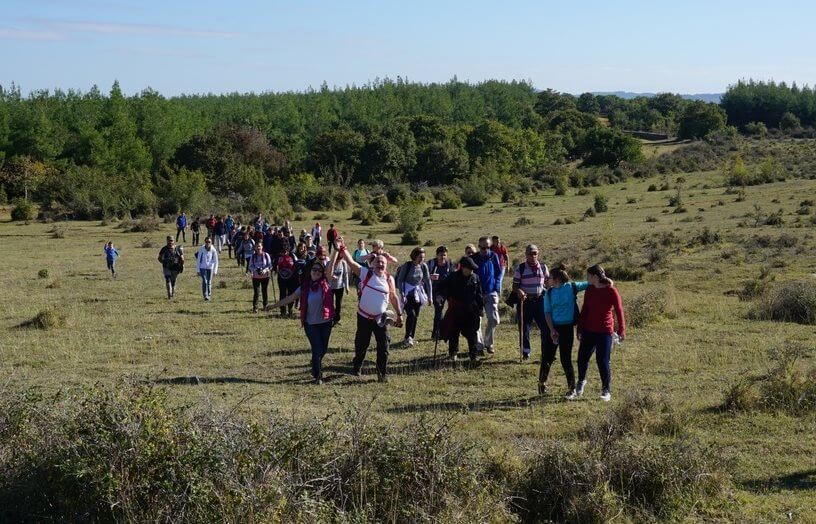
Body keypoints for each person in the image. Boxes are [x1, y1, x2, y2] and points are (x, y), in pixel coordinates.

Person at [336, 236, 403, 382]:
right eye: (378, 262)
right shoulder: (366, 273)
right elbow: (351, 262)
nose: (380, 264)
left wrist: (399, 314)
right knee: (361, 344)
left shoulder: (389, 279)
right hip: (363, 317)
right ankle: (357, 366)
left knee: (384, 346)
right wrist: (342, 247)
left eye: (383, 262)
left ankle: (382, 373)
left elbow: (393, 297)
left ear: (386, 265)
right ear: (372, 264)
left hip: (381, 318)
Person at [267, 255, 338, 384]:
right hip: (310, 324)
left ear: (323, 273)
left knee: (323, 349)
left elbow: (331, 264)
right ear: (310, 271)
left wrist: (337, 250)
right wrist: (273, 306)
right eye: (314, 270)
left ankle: (315, 365)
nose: (316, 272)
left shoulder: (326, 283)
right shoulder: (305, 287)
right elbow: (290, 298)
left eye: (319, 271)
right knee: (317, 348)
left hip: (326, 323)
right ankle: (318, 375)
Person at [575, 264, 625, 402]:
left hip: (605, 331)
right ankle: (581, 383)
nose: (586, 278)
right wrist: (579, 328)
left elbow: (619, 310)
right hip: (588, 330)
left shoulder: (611, 291)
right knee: (582, 358)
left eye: (588, 276)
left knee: (602, 361)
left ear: (595, 277)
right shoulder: (590, 289)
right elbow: (585, 309)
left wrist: (621, 329)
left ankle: (606, 390)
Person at [541, 266, 591, 398]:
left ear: (556, 279)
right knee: (547, 357)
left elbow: (590, 283)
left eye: (550, 277)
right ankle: (541, 384)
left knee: (565, 359)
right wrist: (552, 330)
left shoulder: (572, 287)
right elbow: (547, 313)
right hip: (553, 328)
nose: (548, 279)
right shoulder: (549, 293)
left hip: (567, 329)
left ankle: (571, 388)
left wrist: (607, 281)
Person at [436, 256, 483, 362]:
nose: (471, 271)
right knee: (454, 332)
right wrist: (440, 296)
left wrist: (480, 308)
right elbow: (442, 287)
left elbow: (479, 294)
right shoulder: (452, 277)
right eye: (469, 269)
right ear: (463, 268)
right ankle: (453, 354)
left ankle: (473, 356)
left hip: (471, 311)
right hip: (456, 310)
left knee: (472, 334)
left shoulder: (475, 278)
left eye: (472, 269)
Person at [512, 244, 550, 361]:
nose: (532, 255)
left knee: (546, 327)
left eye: (535, 253)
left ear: (538, 254)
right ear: (526, 254)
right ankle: (525, 352)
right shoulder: (521, 268)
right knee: (524, 328)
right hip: (526, 301)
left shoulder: (543, 267)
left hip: (540, 300)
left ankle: (547, 352)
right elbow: (515, 286)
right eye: (530, 253)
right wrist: (520, 291)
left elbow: (548, 283)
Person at [395, 247, 432, 347]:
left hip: (418, 295)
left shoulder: (423, 266)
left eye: (423, 257)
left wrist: (430, 296)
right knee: (411, 314)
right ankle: (407, 337)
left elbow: (428, 280)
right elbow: (400, 280)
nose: (422, 259)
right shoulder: (407, 266)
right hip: (407, 295)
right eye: (420, 257)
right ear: (414, 256)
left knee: (416, 316)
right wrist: (402, 293)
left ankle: (411, 337)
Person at [471, 236, 503, 354]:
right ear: (479, 247)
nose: (485, 250)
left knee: (494, 319)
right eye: (482, 247)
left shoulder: (493, 256)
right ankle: (479, 346)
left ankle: (488, 343)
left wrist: (496, 287)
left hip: (491, 292)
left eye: (488, 247)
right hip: (477, 294)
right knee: (476, 322)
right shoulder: (473, 258)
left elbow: (499, 272)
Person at [248, 242, 273, 312]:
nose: (258, 248)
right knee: (256, 292)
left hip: (265, 276)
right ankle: (255, 307)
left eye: (259, 246)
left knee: (264, 291)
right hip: (256, 277)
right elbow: (250, 266)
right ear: (255, 248)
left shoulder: (266, 255)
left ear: (262, 247)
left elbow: (270, 265)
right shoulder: (253, 256)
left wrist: (265, 270)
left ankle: (265, 306)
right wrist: (255, 269)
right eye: (256, 247)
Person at [275, 247, 299, 317]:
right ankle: (283, 311)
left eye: (286, 251)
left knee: (291, 294)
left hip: (291, 278)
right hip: (281, 278)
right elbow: (274, 265)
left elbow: (297, 264)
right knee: (282, 294)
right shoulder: (278, 256)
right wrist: (274, 268)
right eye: (283, 252)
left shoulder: (292, 255)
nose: (284, 253)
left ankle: (290, 309)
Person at [329, 248, 349, 325]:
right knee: (330, 303)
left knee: (338, 304)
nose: (338, 261)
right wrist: (331, 276)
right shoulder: (330, 263)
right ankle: (330, 318)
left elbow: (345, 276)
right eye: (337, 260)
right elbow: (325, 274)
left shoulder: (343, 263)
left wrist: (347, 287)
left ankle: (337, 319)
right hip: (330, 287)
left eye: (339, 259)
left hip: (340, 287)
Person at [196, 237, 219, 301]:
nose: (208, 243)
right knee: (205, 281)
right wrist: (197, 270)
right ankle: (205, 295)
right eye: (206, 242)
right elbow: (198, 259)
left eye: (209, 242)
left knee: (209, 282)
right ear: (205, 242)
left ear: (211, 243)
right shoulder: (201, 249)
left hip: (210, 268)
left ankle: (208, 295)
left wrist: (215, 270)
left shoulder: (213, 250)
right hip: (202, 267)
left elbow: (216, 261)